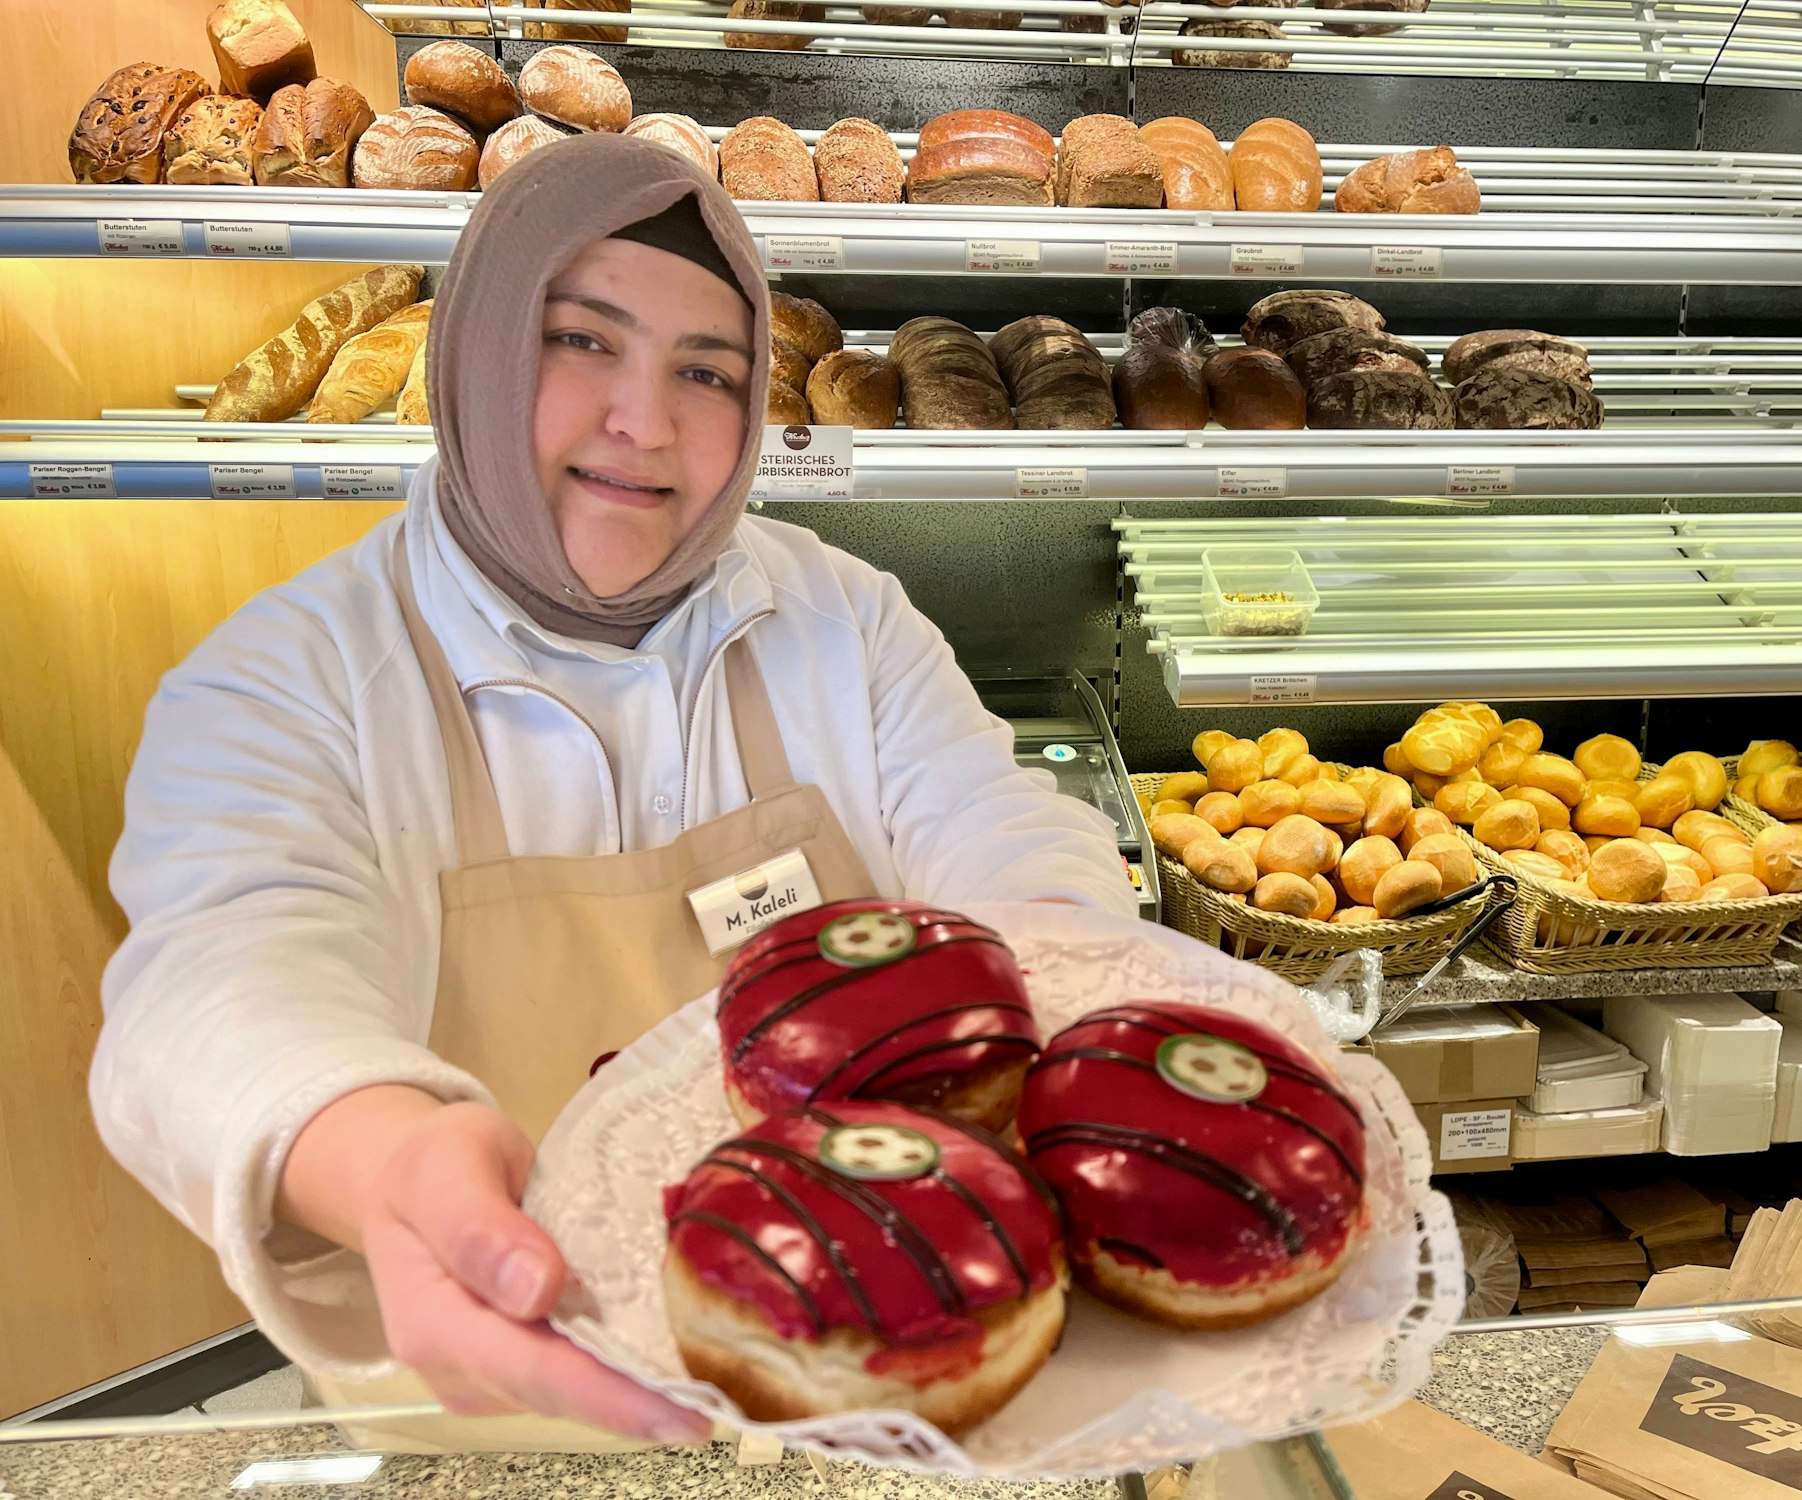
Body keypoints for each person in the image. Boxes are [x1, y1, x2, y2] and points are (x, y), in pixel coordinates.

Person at [90, 133, 1135, 1448]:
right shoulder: (286, 677)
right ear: (470, 352)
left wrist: (1082, 982)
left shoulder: (840, 621)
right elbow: (213, 987)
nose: (647, 422)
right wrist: (394, 1161)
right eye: (583, 342)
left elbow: (1004, 831)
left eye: (710, 371)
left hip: (859, 1371)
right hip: (481, 1396)